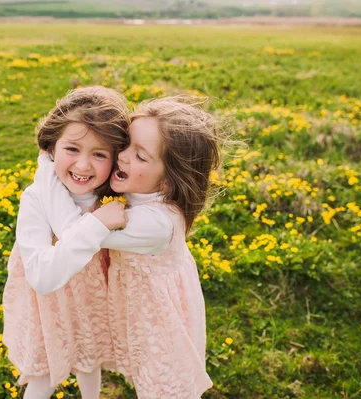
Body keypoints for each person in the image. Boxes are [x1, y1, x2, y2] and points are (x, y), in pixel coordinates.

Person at [33, 96, 228, 398]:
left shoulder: (155, 222)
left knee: (163, 383)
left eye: (140, 156)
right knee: (143, 374)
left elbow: (73, 230)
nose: (121, 157)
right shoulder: (138, 186)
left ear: (167, 182)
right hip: (135, 304)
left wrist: (46, 167)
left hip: (158, 316)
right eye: (125, 145)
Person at [2, 86, 129, 399]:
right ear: (51, 148)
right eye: (72, 149)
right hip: (48, 305)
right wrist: (96, 225)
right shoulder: (36, 199)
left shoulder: (113, 197)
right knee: (43, 374)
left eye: (99, 154)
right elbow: (42, 277)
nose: (83, 166)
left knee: (90, 357)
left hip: (92, 296)